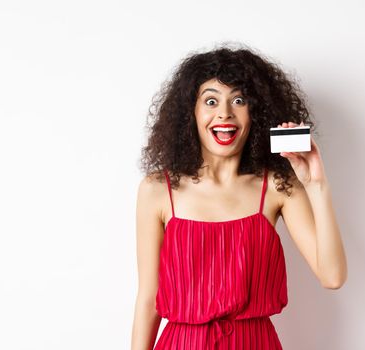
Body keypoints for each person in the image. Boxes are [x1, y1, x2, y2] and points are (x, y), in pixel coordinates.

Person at [131, 43, 347, 350]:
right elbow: (149, 298)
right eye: (210, 101)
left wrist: (317, 186)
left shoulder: (277, 186)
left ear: (255, 113)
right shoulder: (157, 190)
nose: (224, 113)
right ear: (190, 113)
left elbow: (333, 276)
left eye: (239, 100)